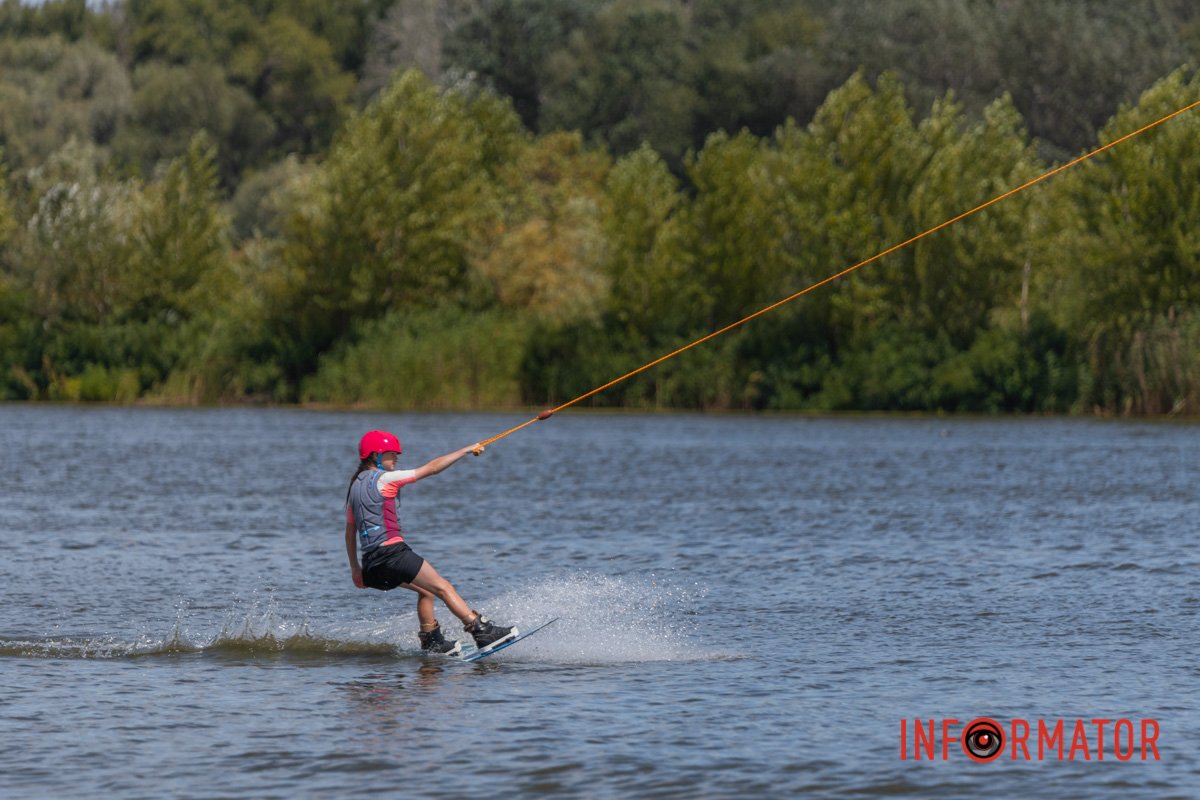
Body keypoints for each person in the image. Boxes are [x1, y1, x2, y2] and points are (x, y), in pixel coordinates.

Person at [344, 429, 517, 656]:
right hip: (393, 554)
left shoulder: (355, 486)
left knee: (427, 591)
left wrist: (356, 568)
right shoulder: (384, 479)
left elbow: (350, 531)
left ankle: (431, 641)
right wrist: (465, 450)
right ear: (376, 455)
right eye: (392, 453)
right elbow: (431, 468)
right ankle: (481, 630)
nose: (397, 457)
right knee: (444, 587)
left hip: (372, 564)